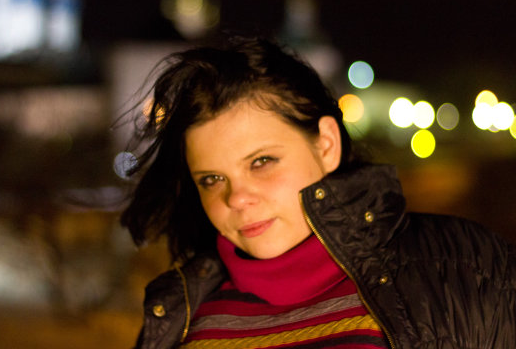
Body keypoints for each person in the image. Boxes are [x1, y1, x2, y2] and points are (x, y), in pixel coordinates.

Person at [120, 37, 516, 348]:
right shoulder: (179, 316)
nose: (237, 198)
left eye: (261, 161)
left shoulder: (465, 270)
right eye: (211, 179)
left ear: (326, 145)